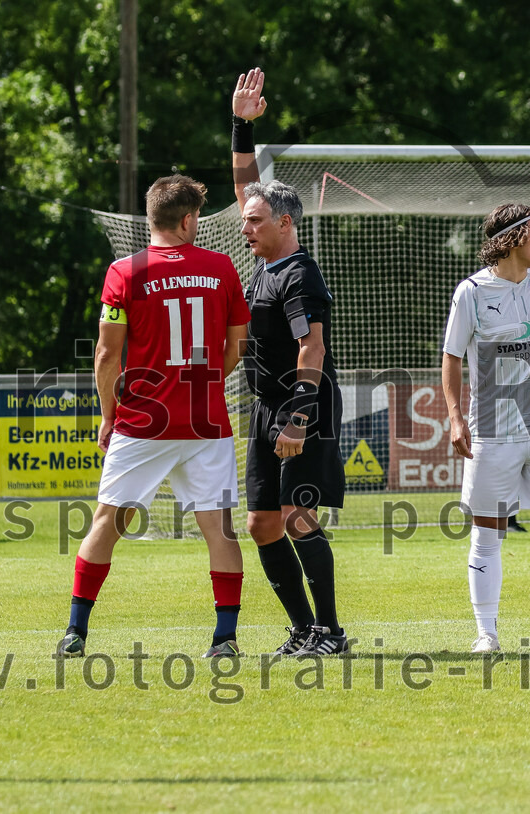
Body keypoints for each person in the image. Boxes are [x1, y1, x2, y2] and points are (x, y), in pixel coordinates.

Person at [55, 174, 250, 660]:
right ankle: (224, 640)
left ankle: (76, 632)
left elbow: (105, 354)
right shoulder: (222, 267)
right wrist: (207, 381)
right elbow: (238, 345)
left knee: (107, 521)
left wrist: (108, 414)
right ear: (187, 220)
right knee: (219, 528)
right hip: (206, 420)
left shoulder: (125, 272)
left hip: (144, 420)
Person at [231, 68, 349, 656]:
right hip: (267, 405)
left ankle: (330, 632)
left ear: (284, 223)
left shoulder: (298, 273)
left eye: (254, 220)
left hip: (301, 407)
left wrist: (298, 417)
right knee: (261, 523)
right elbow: (245, 190)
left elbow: (313, 347)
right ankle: (302, 629)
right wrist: (240, 127)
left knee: (298, 516)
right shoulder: (266, 258)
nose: (244, 226)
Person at [442, 203, 530, 654]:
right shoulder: (471, 292)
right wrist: (454, 416)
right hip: (492, 434)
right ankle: (486, 634)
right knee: (487, 536)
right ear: (514, 238)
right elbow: (452, 357)